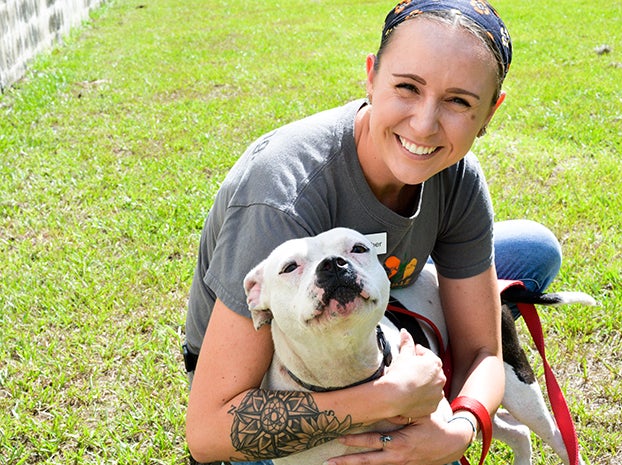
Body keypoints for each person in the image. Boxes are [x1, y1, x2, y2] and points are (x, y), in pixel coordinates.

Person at [184, 1, 562, 464]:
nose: (425, 124)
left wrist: (459, 428)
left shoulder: (457, 175)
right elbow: (207, 432)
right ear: (371, 76)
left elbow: (483, 349)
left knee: (534, 250)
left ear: (489, 112)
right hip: (265, 378)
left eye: (459, 101)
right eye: (407, 87)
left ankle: (397, 319)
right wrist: (389, 397)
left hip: (384, 296)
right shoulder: (282, 194)